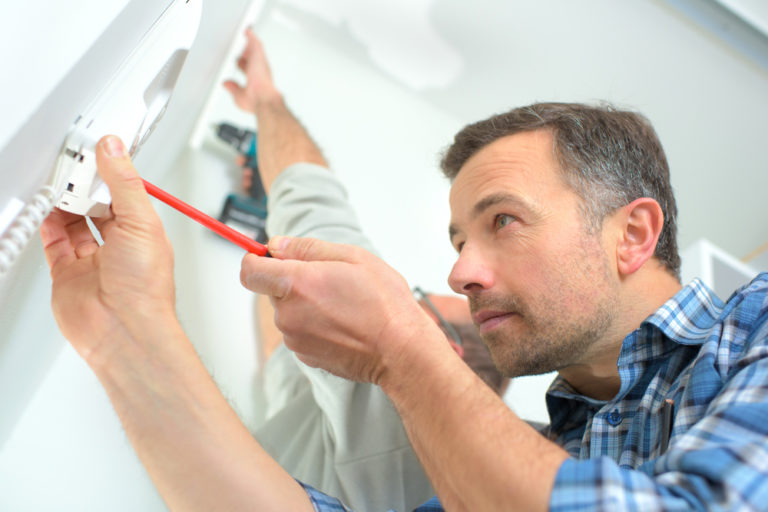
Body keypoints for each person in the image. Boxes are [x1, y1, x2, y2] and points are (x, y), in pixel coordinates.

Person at [41, 33, 768, 512]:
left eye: (503, 220)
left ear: (633, 233)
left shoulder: (756, 327)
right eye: (457, 241)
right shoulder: (540, 455)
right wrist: (125, 330)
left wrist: (401, 348)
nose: (459, 273)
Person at [221, 30, 506, 511]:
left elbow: (313, 201)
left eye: (416, 302)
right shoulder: (362, 431)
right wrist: (275, 241)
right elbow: (282, 360)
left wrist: (265, 98)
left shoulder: (394, 404)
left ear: (448, 349)